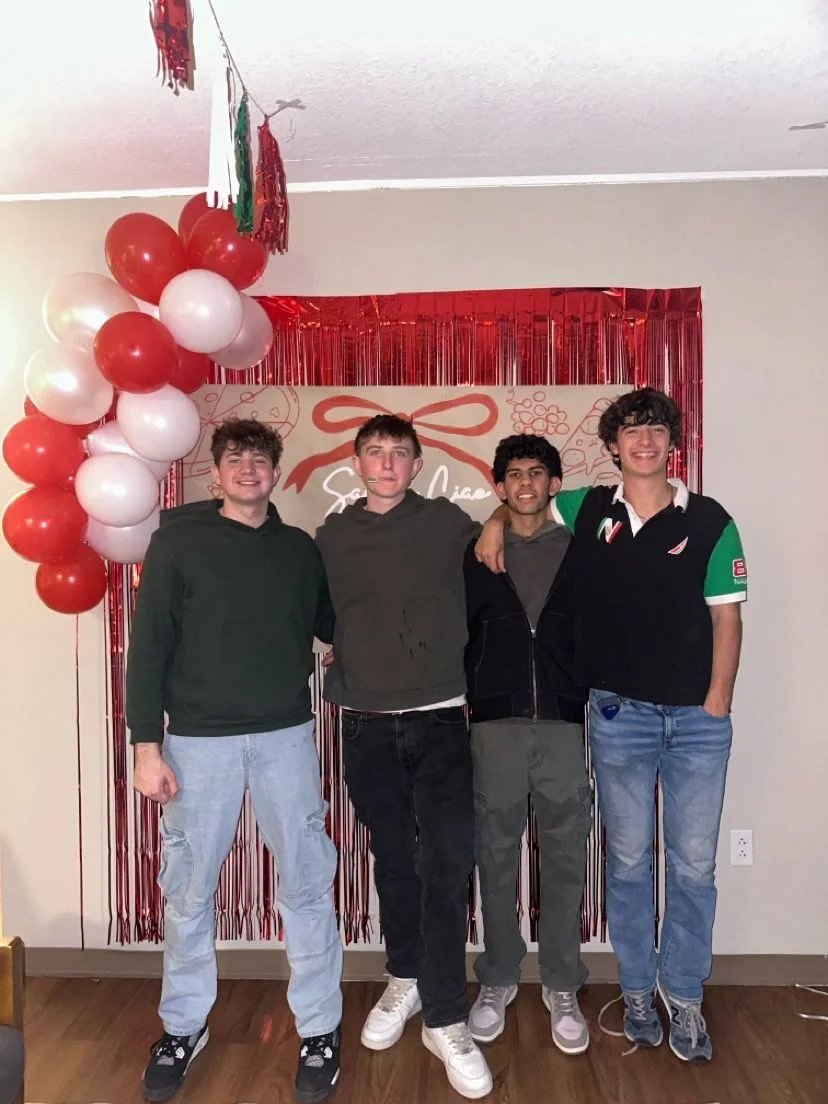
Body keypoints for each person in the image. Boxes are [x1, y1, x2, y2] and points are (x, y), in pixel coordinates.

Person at [475, 388, 747, 1062]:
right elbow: (524, 499)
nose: (644, 441)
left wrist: (716, 701)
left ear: (673, 441)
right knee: (627, 863)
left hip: (697, 721)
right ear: (612, 446)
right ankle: (636, 991)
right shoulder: (588, 507)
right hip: (619, 715)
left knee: (693, 866)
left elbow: (727, 616)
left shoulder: (711, 520)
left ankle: (683, 994)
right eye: (631, 431)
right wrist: (492, 520)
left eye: (655, 429)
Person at [126, 419, 343, 1104]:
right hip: (198, 743)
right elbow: (149, 646)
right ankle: (183, 1026)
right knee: (189, 891)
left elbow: (334, 624)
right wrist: (146, 746)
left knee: (307, 883)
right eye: (235, 459)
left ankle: (320, 1029)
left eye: (260, 459)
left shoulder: (299, 549)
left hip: (286, 737)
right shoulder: (177, 544)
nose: (249, 468)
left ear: (275, 472)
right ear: (215, 473)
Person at [315, 415, 493, 1100]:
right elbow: (321, 612)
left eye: (399, 453)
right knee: (393, 861)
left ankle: (445, 1015)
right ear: (356, 464)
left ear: (417, 465)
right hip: (364, 723)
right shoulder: (333, 536)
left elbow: (503, 545)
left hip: (440, 719)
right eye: (374, 453)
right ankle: (407, 976)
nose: (386, 463)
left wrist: (497, 520)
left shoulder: (449, 524)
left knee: (445, 865)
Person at [463, 435, 591, 1055]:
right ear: (499, 486)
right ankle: (498, 976)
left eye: (537, 473)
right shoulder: (476, 552)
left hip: (564, 725)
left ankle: (562, 982)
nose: (525, 483)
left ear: (554, 484)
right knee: (494, 856)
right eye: (513, 474)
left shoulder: (583, 551)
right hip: (495, 728)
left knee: (566, 857)